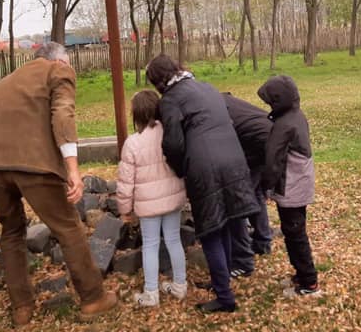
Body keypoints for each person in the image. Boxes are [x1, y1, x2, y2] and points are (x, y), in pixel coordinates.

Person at [0, 42, 117, 326]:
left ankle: (22, 309)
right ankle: (93, 298)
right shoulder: (58, 72)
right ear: (60, 61)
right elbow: (63, 115)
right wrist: (73, 169)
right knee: (67, 228)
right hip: (32, 166)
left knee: (12, 232)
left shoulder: (4, 83)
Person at [146, 55, 258, 314]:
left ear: (159, 81)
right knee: (227, 223)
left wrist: (181, 169)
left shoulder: (171, 100)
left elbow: (173, 144)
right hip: (234, 160)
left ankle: (225, 298)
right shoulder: (206, 87)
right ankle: (223, 280)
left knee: (210, 232)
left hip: (205, 169)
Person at [116, 90, 188, 307]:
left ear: (136, 113)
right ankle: (180, 285)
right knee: (174, 240)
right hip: (173, 199)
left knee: (150, 245)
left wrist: (124, 209)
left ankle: (151, 293)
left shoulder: (132, 143)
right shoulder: (172, 133)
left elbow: (125, 182)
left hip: (148, 205)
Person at [257, 75, 322, 299]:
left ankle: (309, 282)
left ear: (278, 101)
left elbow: (272, 161)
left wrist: (265, 187)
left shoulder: (283, 126)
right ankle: (301, 274)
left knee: (295, 234)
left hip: (292, 188)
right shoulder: (296, 116)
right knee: (294, 231)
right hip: (300, 185)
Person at [223, 93, 274, 278]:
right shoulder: (228, 101)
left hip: (259, 145)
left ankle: (242, 259)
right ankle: (263, 240)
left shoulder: (219, 110)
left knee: (238, 201)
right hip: (267, 143)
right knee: (256, 193)